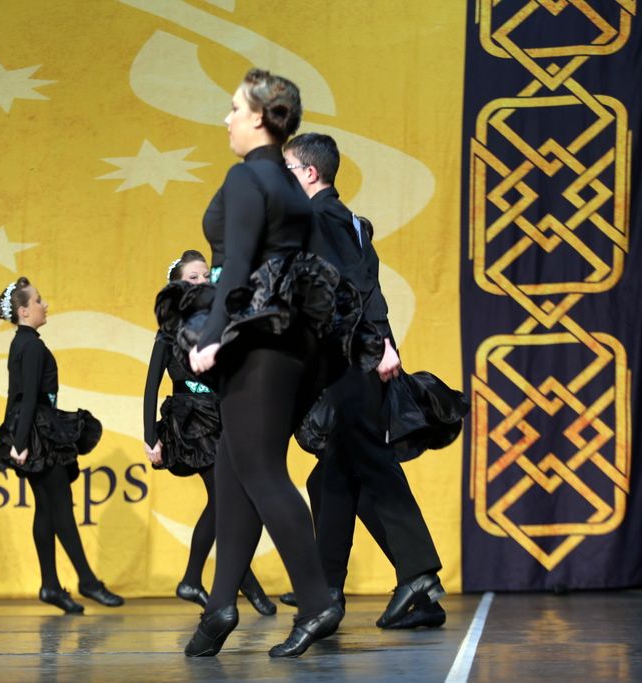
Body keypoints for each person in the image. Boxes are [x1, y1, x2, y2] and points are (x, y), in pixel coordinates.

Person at [175, 68, 379, 659]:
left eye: (235, 109)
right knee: (233, 469)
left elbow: (237, 265)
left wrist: (212, 335)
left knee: (261, 470)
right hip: (291, 346)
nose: (227, 119)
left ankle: (316, 601)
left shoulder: (248, 177)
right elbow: (317, 274)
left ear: (261, 118)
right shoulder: (293, 188)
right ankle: (219, 605)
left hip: (255, 343)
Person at [282, 132, 468, 629]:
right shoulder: (348, 220)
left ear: (310, 173)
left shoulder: (321, 218)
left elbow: (353, 287)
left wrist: (378, 343)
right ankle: (334, 589)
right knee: (333, 474)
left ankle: (412, 575)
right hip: (358, 355)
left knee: (366, 463)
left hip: (352, 359)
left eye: (287, 170)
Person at [143, 251, 275, 615]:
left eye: (205, 276)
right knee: (223, 500)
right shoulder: (168, 331)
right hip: (191, 422)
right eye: (193, 277)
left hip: (219, 417)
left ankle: (222, 582)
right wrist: (150, 436)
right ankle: (206, 580)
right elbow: (152, 384)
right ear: (178, 286)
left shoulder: (217, 324)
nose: (202, 282)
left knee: (233, 502)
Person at [0, 277, 124, 614]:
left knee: (47, 508)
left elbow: (15, 396)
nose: (44, 305)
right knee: (60, 508)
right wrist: (20, 442)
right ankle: (87, 580)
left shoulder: (21, 343)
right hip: (39, 432)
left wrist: (12, 435)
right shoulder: (32, 346)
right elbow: (27, 396)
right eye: (38, 300)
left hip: (31, 429)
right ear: (24, 311)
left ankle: (50, 585)